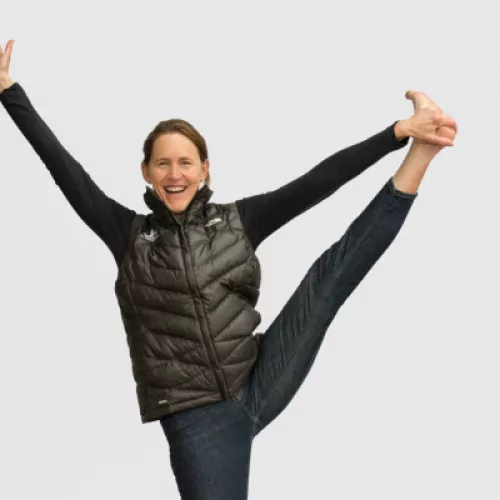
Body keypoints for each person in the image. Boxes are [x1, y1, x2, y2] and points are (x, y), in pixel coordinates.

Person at [0, 39, 457, 500]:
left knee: (329, 277)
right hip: (198, 421)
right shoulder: (128, 237)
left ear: (204, 169)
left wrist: (397, 133)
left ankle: (421, 154)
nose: (175, 174)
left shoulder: (238, 222)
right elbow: (64, 168)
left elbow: (319, 181)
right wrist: (8, 91)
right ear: (146, 171)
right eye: (163, 164)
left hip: (260, 376)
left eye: (185, 163)